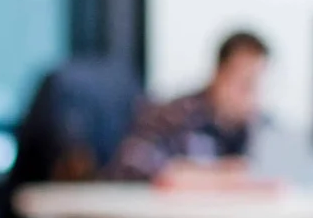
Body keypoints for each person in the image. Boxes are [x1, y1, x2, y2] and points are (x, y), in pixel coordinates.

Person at [108, 28, 271, 184]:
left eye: (259, 86)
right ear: (219, 74)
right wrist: (212, 177)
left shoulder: (251, 128)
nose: (253, 97)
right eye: (246, 84)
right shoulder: (176, 115)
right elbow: (130, 163)